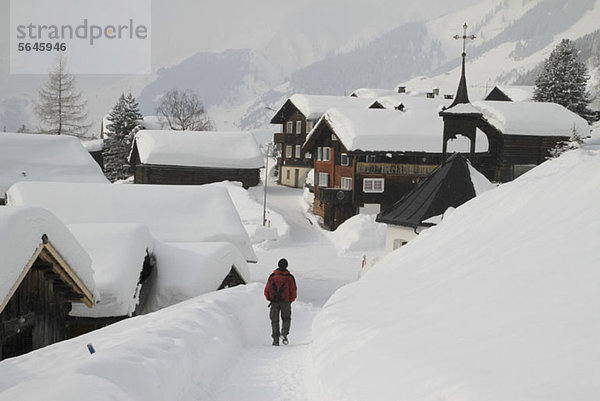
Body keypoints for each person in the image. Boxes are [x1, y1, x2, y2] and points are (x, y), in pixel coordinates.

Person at [264, 258, 297, 346]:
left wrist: (269, 298)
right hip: (286, 302)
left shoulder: (272, 276)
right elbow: (293, 290)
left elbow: (267, 289)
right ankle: (284, 333)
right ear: (286, 265)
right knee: (286, 318)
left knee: (274, 320)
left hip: (274, 302)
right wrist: (290, 300)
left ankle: (275, 340)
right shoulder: (289, 277)